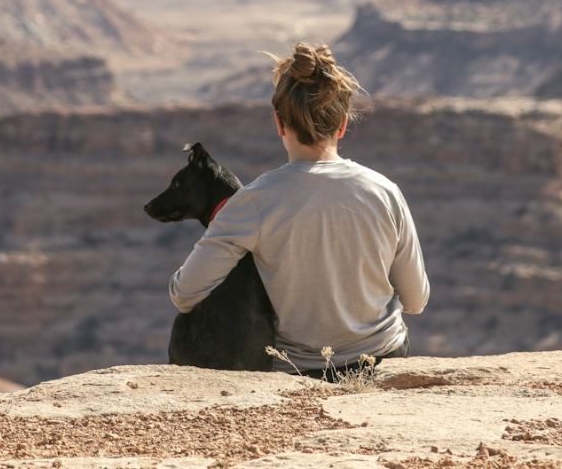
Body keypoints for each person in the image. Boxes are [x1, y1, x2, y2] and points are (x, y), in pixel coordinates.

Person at [168, 42, 429, 378]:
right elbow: (416, 301)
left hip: (300, 372)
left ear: (279, 123)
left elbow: (183, 294)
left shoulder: (252, 202)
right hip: (383, 361)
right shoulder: (385, 192)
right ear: (343, 124)